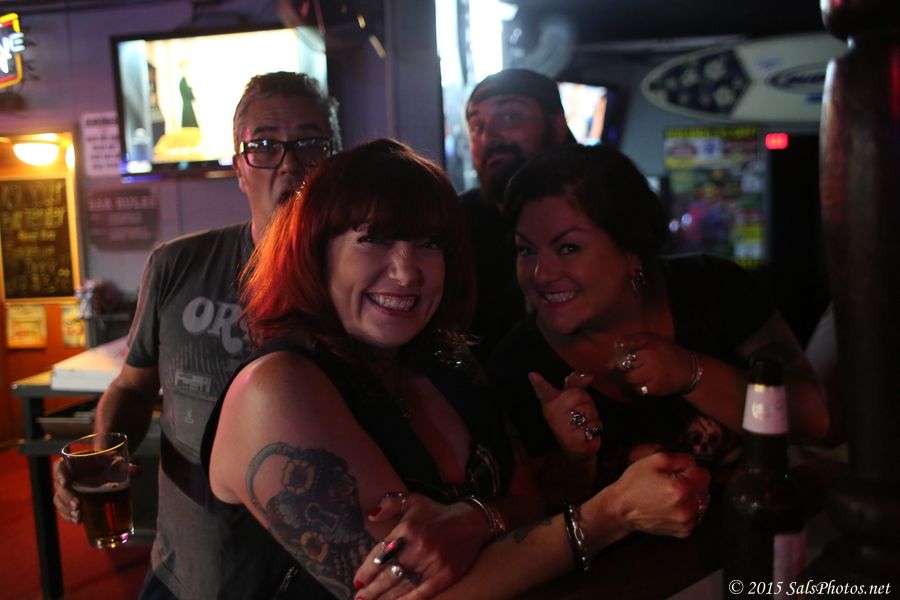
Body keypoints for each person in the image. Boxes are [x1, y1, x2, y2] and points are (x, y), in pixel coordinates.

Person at [202, 139, 710, 600]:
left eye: (429, 244)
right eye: (374, 239)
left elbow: (531, 503)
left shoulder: (446, 360)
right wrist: (612, 514)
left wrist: (474, 519)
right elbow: (415, 594)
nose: (407, 272)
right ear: (316, 252)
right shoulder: (276, 389)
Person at [52, 71, 341, 600]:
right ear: (239, 169)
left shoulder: (361, 284)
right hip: (187, 575)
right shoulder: (177, 265)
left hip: (317, 583)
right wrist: (103, 452)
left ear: (334, 164)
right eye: (263, 146)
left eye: (310, 144)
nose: (288, 163)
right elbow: (132, 386)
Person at [488, 144, 829, 507]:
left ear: (632, 250)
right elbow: (535, 520)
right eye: (526, 250)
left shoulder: (716, 289)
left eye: (568, 248)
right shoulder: (517, 367)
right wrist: (575, 459)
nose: (541, 274)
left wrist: (691, 373)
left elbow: (813, 420)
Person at [461, 68, 577, 358]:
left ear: (556, 125)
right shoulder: (455, 221)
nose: (489, 137)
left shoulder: (600, 205)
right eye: (477, 126)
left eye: (510, 116)